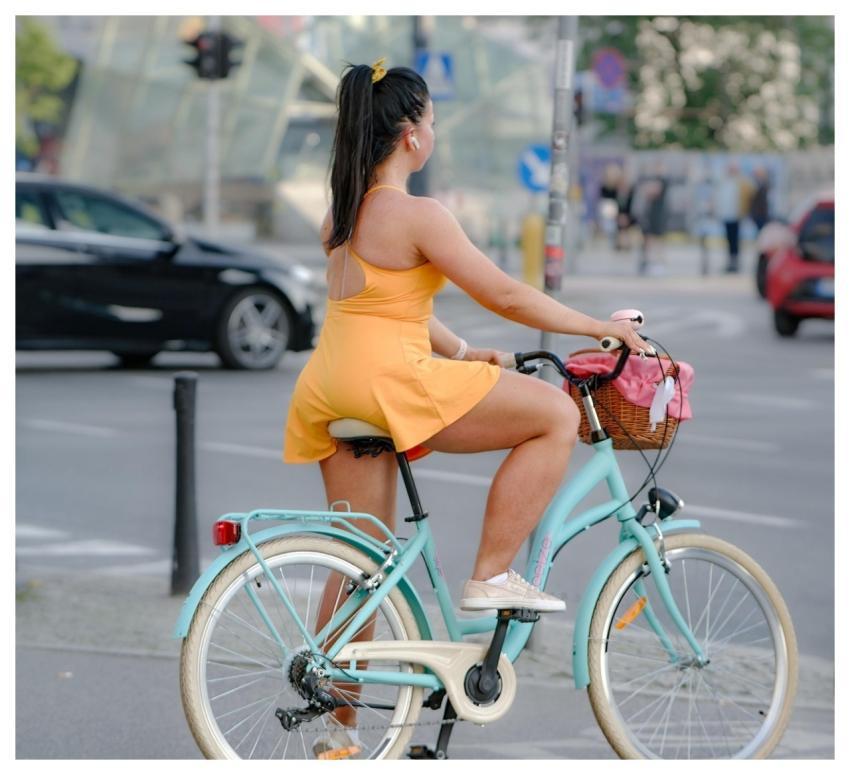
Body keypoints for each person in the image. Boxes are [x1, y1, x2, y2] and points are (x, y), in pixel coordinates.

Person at [282, 58, 647, 755]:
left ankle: (338, 734)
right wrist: (598, 326)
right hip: (392, 383)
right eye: (433, 122)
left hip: (333, 385)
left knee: (361, 559)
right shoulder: (419, 214)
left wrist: (463, 350)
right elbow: (507, 294)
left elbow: (385, 307)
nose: (435, 133)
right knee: (555, 415)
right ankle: (490, 574)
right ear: (412, 136)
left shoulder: (340, 211)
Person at [715, 161, 745, 273]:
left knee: (735, 241)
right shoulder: (724, 183)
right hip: (726, 216)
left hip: (735, 216)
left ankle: (735, 263)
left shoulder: (739, 183)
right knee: (728, 240)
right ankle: (730, 263)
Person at [749, 166, 771, 234]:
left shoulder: (764, 185)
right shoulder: (755, 184)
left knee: (762, 232)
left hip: (762, 214)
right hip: (758, 214)